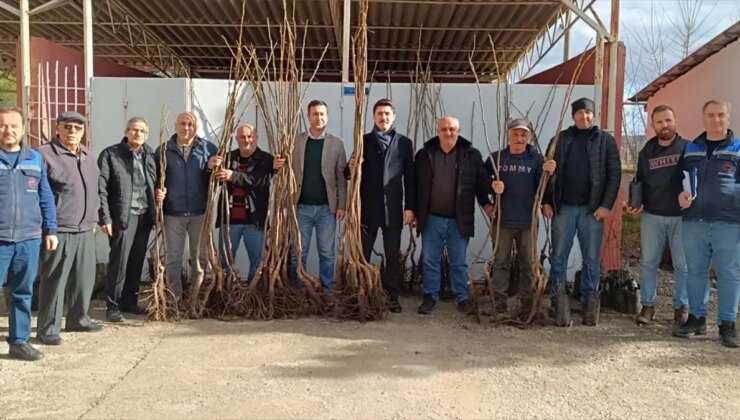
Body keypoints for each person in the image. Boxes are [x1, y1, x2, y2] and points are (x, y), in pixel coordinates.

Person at [543, 98, 621, 327]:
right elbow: (547, 174)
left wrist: (606, 205)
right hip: (563, 208)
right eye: (580, 113)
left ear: (594, 115)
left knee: (591, 258)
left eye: (588, 113)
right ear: (573, 116)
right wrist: (547, 202)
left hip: (592, 210)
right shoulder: (560, 140)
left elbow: (614, 175)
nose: (584, 117)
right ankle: (558, 301)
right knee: (558, 256)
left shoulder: (605, 141)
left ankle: (590, 301)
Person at [673, 100, 739, 348]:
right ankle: (697, 319)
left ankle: (727, 324)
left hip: (729, 223)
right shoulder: (691, 148)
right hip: (694, 222)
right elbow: (677, 180)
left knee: (729, 274)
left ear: (728, 118)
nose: (715, 119)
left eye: (721, 115)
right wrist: (680, 194)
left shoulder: (738, 148)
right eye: (710, 115)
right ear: (704, 118)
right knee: (696, 271)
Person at [415, 116, 494, 315]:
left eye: (452, 129)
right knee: (430, 260)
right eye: (444, 129)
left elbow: (481, 182)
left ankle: (462, 297)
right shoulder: (424, 154)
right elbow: (416, 187)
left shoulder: (471, 155)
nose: (448, 133)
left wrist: (488, 199)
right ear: (437, 131)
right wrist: (414, 211)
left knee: (459, 261)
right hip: (432, 218)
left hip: (459, 219)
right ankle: (430, 296)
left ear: (458, 131)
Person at [37, 111, 103, 345]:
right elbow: (40, 194)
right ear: (58, 128)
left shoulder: (88, 155)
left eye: (78, 128)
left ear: (83, 131)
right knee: (55, 279)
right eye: (67, 127)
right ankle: (48, 328)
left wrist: (96, 218)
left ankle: (79, 319)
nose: (72, 132)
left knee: (84, 278)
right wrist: (48, 229)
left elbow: (96, 190)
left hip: (86, 227)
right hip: (60, 229)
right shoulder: (44, 155)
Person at [345, 99, 415, 313]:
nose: (383, 118)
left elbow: (410, 178)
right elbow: (348, 174)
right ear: (373, 117)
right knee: (363, 253)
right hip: (367, 209)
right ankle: (361, 293)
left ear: (393, 116)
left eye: (387, 114)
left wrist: (410, 206)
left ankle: (391, 296)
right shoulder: (363, 141)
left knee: (392, 255)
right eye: (379, 114)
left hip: (393, 208)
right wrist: (351, 167)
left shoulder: (404, 143)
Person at [0, 107, 57, 360]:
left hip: (29, 238)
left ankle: (19, 341)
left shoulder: (35, 158)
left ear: (23, 128)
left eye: (13, 126)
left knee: (22, 292)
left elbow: (45, 197)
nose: (8, 131)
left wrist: (51, 230)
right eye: (3, 126)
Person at [624, 105, 688, 326]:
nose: (665, 125)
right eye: (659, 122)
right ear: (653, 125)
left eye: (668, 120)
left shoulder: (688, 149)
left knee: (683, 265)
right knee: (649, 263)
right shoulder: (646, 153)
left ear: (675, 121)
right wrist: (633, 202)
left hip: (682, 217)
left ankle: (681, 308)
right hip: (652, 216)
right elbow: (638, 183)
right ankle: (648, 306)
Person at [485, 118, 556, 313]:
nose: (519, 138)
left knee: (528, 263)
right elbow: (479, 182)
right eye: (515, 134)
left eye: (523, 134)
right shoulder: (496, 158)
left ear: (529, 137)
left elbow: (546, 188)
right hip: (502, 221)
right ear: (508, 135)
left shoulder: (537, 160)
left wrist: (551, 177)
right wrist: (488, 203)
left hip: (528, 221)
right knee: (500, 262)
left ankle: (527, 303)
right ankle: (498, 302)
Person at [155, 112, 220, 299]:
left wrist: (211, 168)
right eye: (182, 124)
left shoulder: (208, 148)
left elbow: (216, 180)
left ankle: (196, 297)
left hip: (200, 212)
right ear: (175, 126)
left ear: (196, 127)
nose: (186, 128)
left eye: (190, 124)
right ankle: (174, 298)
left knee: (199, 258)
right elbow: (154, 178)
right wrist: (157, 192)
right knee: (173, 258)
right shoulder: (164, 150)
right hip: (173, 213)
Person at [98, 117, 157, 323]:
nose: (137, 134)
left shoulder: (150, 155)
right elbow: (101, 188)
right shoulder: (111, 154)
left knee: (135, 262)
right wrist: (104, 217)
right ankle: (113, 306)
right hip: (123, 217)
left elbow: (155, 182)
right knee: (119, 262)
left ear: (146, 134)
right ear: (126, 131)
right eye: (133, 130)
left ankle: (129, 302)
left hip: (144, 215)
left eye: (141, 131)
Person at [214, 124, 284, 282]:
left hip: (255, 221)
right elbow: (215, 181)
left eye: (250, 136)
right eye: (243, 137)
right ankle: (228, 292)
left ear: (256, 138)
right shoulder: (228, 158)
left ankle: (253, 296)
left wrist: (234, 176)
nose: (247, 140)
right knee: (225, 261)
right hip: (229, 220)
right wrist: (210, 168)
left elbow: (261, 180)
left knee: (257, 262)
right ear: (236, 139)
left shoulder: (266, 160)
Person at [292, 100, 347, 294]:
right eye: (315, 114)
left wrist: (342, 205)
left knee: (327, 253)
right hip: (301, 207)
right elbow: (288, 172)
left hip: (326, 208)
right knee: (299, 252)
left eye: (322, 114)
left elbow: (341, 178)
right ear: (308, 116)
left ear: (328, 116)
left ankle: (327, 292)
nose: (319, 117)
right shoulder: (296, 141)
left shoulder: (336, 144)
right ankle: (298, 291)